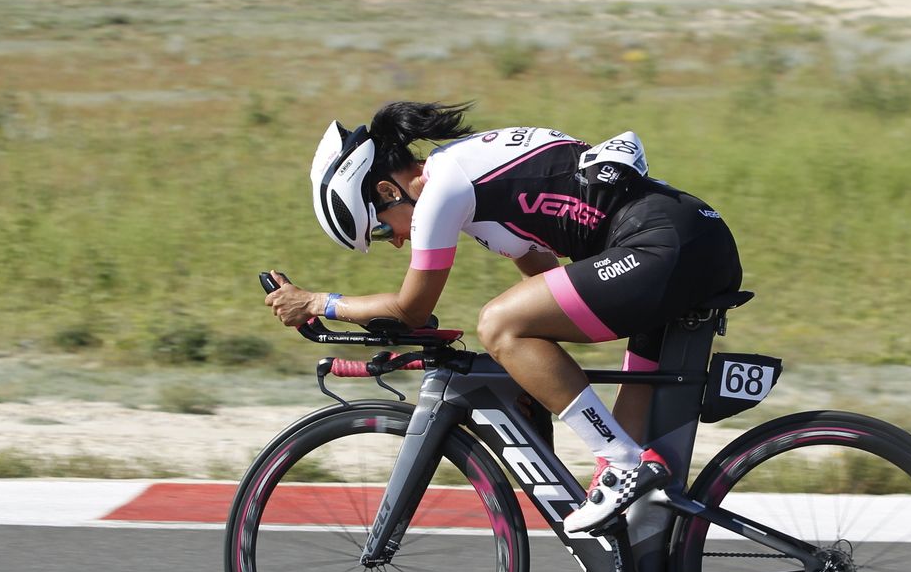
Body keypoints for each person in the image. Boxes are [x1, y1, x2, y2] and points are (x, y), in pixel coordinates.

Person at [265, 100, 742, 534]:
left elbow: (413, 307)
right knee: (632, 493)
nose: (393, 241)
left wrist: (319, 303)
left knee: (498, 324)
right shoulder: (475, 190)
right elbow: (547, 288)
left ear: (389, 189)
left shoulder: (443, 188)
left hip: (661, 242)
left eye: (381, 227)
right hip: (685, 241)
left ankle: (622, 463)